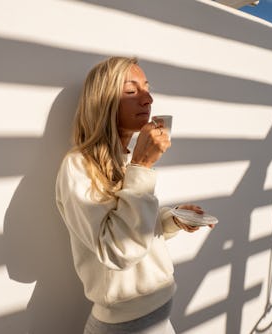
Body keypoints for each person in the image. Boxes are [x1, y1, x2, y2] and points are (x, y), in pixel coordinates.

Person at [55, 56, 211, 333]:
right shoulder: (79, 166)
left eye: (147, 88)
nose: (148, 98)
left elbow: (134, 228)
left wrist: (171, 220)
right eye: (131, 91)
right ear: (103, 103)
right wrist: (142, 166)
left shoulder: (126, 158)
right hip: (125, 326)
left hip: (160, 314)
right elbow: (117, 251)